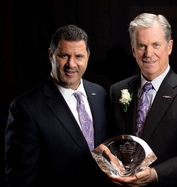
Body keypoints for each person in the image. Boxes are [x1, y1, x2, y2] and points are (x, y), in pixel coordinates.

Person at [107, 12, 177, 187]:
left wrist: (155, 174)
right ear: (133, 49)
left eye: (156, 45)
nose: (149, 53)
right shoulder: (117, 91)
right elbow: (112, 143)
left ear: (169, 46)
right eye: (142, 46)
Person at [4, 24, 112, 186]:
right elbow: (20, 178)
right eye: (64, 55)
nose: (71, 64)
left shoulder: (99, 93)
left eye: (79, 56)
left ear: (88, 56)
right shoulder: (26, 107)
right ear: (51, 55)